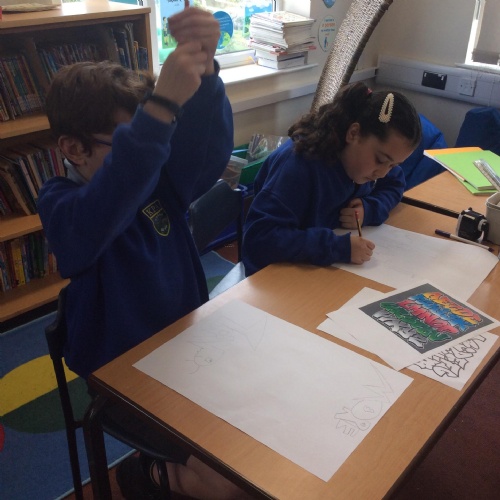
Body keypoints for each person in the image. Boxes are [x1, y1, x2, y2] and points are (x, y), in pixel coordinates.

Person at [38, 5, 249, 499]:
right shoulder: (62, 205)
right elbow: (109, 201)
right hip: (122, 377)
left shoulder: (158, 179)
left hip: (187, 350)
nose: (150, 151)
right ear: (74, 149)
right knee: (230, 484)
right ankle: (146, 476)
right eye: (129, 140)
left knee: (260, 448)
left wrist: (207, 76)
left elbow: (207, 151)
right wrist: (158, 110)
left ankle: (162, 467)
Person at [242, 82, 422, 276]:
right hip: (277, 277)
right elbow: (259, 239)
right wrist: (337, 247)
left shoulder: (368, 164)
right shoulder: (298, 166)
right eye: (380, 160)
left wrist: (369, 209)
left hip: (322, 270)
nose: (383, 173)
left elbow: (394, 184)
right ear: (353, 133)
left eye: (393, 165)